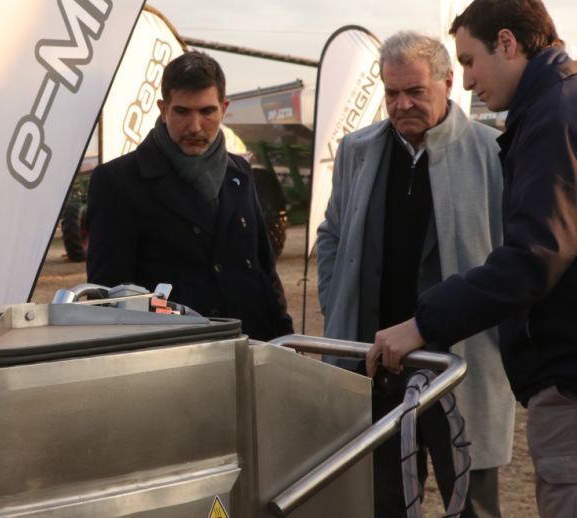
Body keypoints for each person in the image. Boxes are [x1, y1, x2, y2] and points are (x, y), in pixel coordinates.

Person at [368, 1, 577, 516]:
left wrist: (423, 322)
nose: (466, 81)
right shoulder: (556, 106)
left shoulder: (551, 116)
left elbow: (533, 255)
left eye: (467, 61)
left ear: (507, 43)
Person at [318, 31, 515, 517]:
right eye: (391, 93)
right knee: (382, 501)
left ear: (448, 83)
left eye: (415, 91)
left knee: (470, 504)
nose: (402, 104)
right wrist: (339, 303)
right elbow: (331, 236)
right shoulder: (356, 151)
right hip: (374, 365)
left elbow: (514, 259)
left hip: (461, 370)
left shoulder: (494, 154)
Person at [86, 51, 293, 341]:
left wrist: (285, 338)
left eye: (207, 112)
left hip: (253, 350)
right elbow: (107, 300)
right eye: (182, 111)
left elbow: (265, 273)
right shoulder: (118, 182)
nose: (195, 127)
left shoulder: (240, 174)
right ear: (163, 109)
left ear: (224, 108)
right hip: (176, 361)